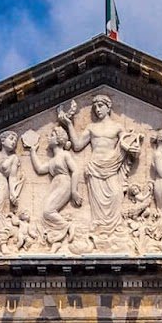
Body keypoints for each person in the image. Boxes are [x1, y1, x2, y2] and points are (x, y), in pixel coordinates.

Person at [57, 95, 141, 236]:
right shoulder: (91, 127)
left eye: (100, 106)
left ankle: (114, 229)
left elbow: (128, 144)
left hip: (112, 166)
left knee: (116, 194)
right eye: (95, 107)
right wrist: (69, 124)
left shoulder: (117, 127)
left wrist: (134, 149)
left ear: (108, 107)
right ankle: (100, 230)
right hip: (95, 167)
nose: (97, 110)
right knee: (97, 204)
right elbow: (77, 145)